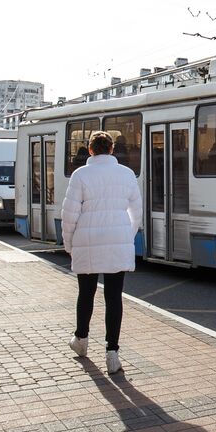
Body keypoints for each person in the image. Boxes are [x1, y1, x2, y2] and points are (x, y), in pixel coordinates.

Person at [61, 131, 143, 375]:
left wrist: (69, 244)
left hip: (86, 240)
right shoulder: (127, 174)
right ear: (112, 149)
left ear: (90, 150)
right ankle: (112, 354)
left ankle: (81, 341)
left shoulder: (80, 175)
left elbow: (69, 215)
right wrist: (125, 237)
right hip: (117, 241)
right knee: (114, 298)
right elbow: (136, 212)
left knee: (85, 294)